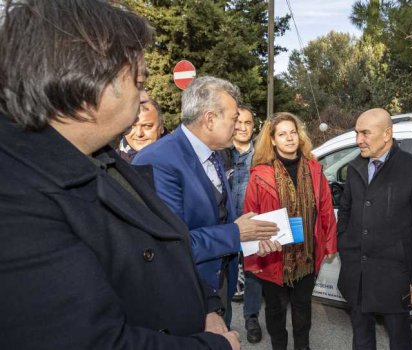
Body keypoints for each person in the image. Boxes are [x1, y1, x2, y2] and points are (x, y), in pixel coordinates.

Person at [0, 0, 239, 349]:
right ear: (86, 83)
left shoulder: (101, 157)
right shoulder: (16, 198)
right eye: (139, 81)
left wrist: (207, 306)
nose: (145, 96)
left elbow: (169, 248)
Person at [133, 76, 280, 327]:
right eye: (233, 118)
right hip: (186, 293)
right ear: (210, 119)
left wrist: (251, 237)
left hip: (220, 286)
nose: (238, 126)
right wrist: (236, 232)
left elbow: (218, 217)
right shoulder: (158, 161)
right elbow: (171, 246)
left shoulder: (215, 154)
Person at [337, 108, 412, 350]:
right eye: (356, 133)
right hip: (358, 273)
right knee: (361, 337)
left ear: (387, 134)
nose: (358, 140)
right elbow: (346, 212)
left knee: (399, 339)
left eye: (365, 133)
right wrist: (345, 243)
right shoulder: (354, 168)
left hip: (395, 278)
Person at [243, 112, 337, 350]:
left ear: (299, 135)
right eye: (282, 134)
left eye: (293, 132)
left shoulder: (315, 170)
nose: (289, 138)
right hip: (273, 256)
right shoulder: (259, 174)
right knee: (275, 313)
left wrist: (330, 245)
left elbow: (326, 210)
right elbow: (249, 216)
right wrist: (254, 251)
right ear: (272, 140)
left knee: (303, 310)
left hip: (306, 255)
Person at [229, 107, 264, 343]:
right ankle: (222, 325)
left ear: (254, 126)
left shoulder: (262, 157)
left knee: (253, 274)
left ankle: (251, 318)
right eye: (238, 121)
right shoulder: (219, 154)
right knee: (225, 275)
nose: (243, 126)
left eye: (248, 122)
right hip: (225, 227)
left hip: (253, 226)